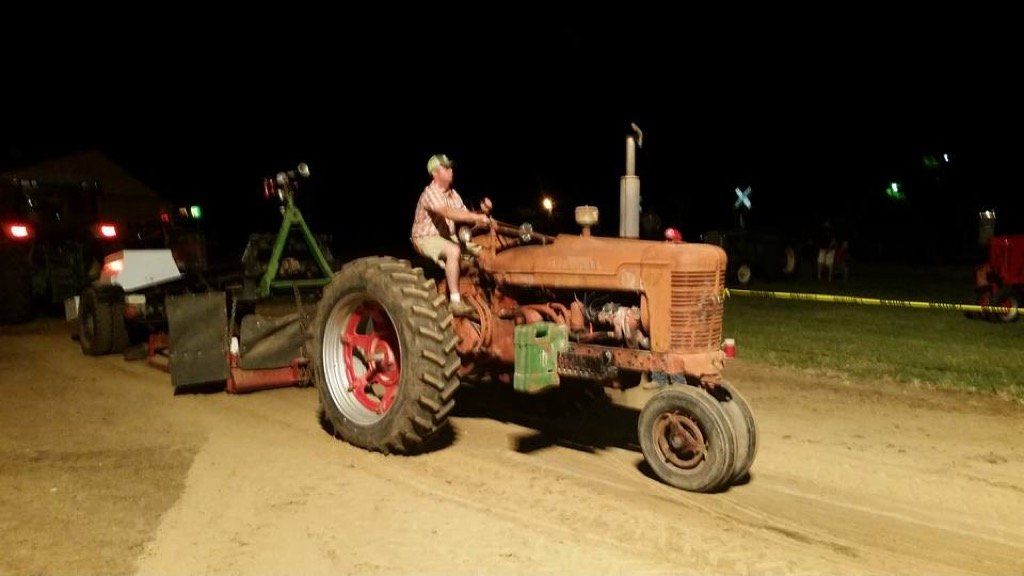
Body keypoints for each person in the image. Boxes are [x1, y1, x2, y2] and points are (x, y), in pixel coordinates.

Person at [410, 154, 490, 314]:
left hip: (446, 236)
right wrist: (476, 217)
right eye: (446, 168)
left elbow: (465, 214)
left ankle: (484, 293)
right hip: (425, 237)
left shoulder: (453, 194)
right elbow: (448, 212)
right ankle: (455, 301)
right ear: (435, 173)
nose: (451, 170)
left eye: (450, 167)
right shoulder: (430, 193)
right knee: (454, 251)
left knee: (483, 251)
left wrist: (483, 213)